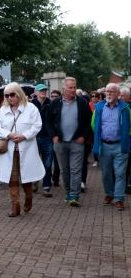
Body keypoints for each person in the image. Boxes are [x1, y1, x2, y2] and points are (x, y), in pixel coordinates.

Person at [0, 82, 45, 216]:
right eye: (6, 95)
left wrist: (24, 136)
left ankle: (28, 199)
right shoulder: (3, 109)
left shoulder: (31, 108)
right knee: (12, 179)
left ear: (19, 94)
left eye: (12, 94)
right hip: (9, 150)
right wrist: (8, 134)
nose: (10, 98)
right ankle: (15, 206)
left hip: (27, 149)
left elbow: (37, 125)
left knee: (26, 178)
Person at [48, 77, 92, 206]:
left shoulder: (82, 103)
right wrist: (53, 136)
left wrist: (83, 136)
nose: (73, 90)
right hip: (60, 142)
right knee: (64, 170)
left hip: (76, 142)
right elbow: (48, 121)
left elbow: (87, 121)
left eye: (74, 87)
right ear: (64, 89)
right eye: (70, 87)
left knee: (75, 169)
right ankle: (68, 192)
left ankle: (74, 195)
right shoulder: (55, 103)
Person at [92, 83, 130, 210]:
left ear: (118, 94)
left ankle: (119, 198)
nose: (108, 93)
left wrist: (126, 137)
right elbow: (93, 125)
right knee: (106, 174)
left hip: (120, 145)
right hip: (104, 145)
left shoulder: (126, 109)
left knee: (120, 173)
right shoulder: (99, 107)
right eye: (107, 91)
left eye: (111, 91)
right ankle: (109, 194)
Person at [31, 83, 54, 197]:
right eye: (41, 90)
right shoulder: (30, 105)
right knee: (34, 162)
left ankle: (46, 186)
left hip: (47, 138)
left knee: (48, 163)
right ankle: (34, 182)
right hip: (34, 137)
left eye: (45, 90)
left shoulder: (51, 104)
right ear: (35, 92)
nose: (43, 92)